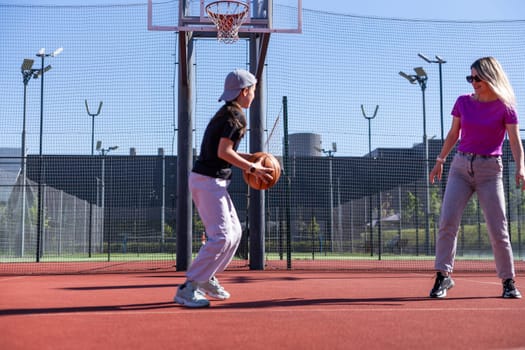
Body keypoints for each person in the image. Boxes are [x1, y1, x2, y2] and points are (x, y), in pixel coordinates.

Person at [174, 69, 274, 308]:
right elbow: (223, 153)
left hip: (210, 181)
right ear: (244, 91)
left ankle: (206, 278)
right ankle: (189, 287)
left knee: (235, 233)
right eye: (253, 91)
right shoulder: (236, 118)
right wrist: (252, 167)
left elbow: (223, 150)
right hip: (208, 181)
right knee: (221, 236)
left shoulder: (228, 113)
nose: (253, 95)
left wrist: (249, 157)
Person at [429, 57, 523, 299]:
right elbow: (453, 134)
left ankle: (508, 281)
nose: (473, 82)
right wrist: (440, 161)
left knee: (498, 227)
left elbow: (515, 142)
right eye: (470, 78)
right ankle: (443, 276)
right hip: (460, 167)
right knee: (447, 221)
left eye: (477, 78)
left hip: (490, 170)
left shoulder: (506, 106)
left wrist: (521, 167)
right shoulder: (462, 102)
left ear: (491, 77)